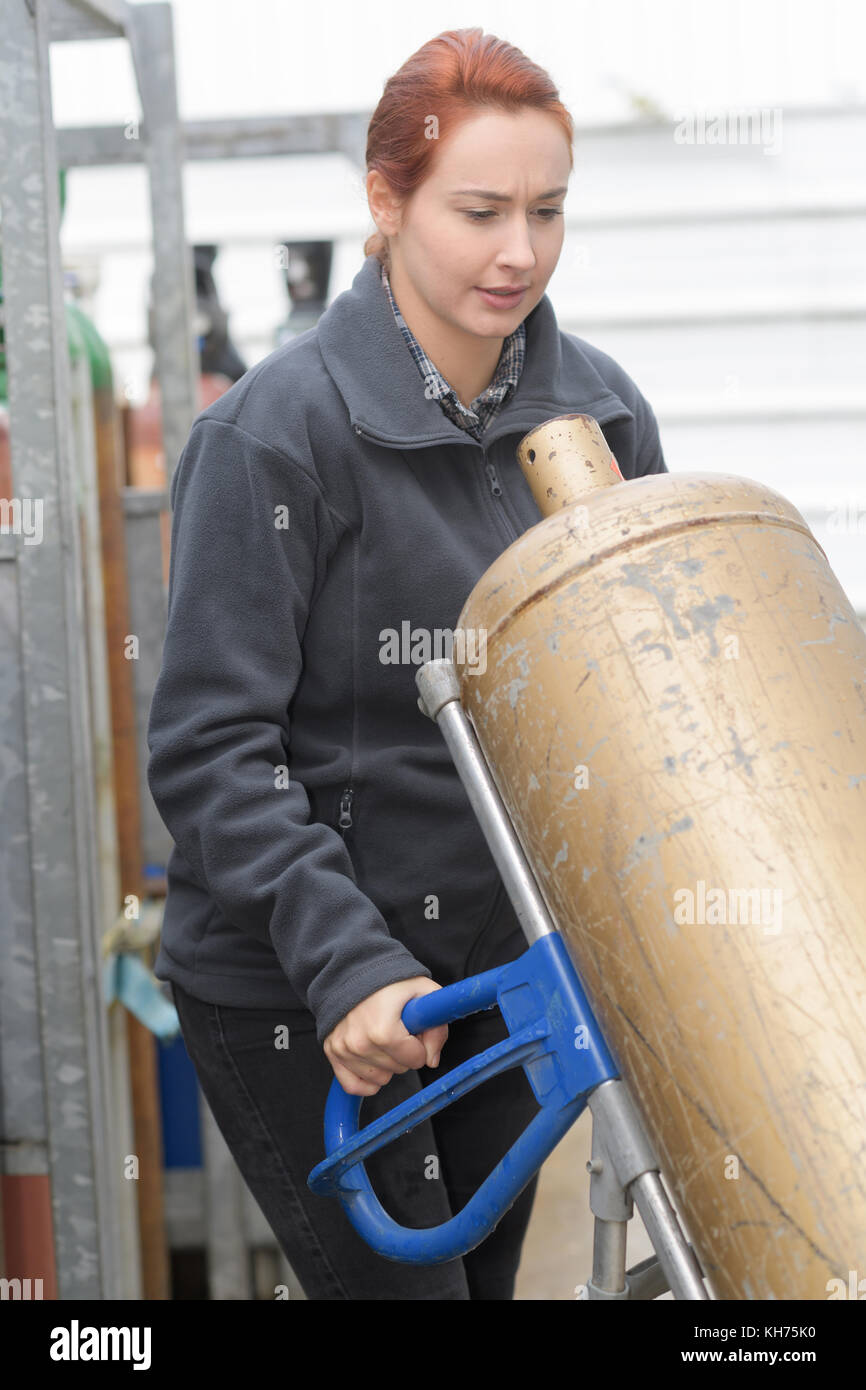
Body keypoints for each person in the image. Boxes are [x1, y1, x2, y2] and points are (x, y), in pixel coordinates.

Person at [146, 26, 668, 1302]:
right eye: (478, 210)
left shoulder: (597, 415)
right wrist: (353, 965)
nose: (519, 252)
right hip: (298, 974)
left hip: (501, 963)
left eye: (547, 211)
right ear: (384, 203)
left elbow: (641, 697)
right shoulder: (273, 438)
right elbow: (210, 750)